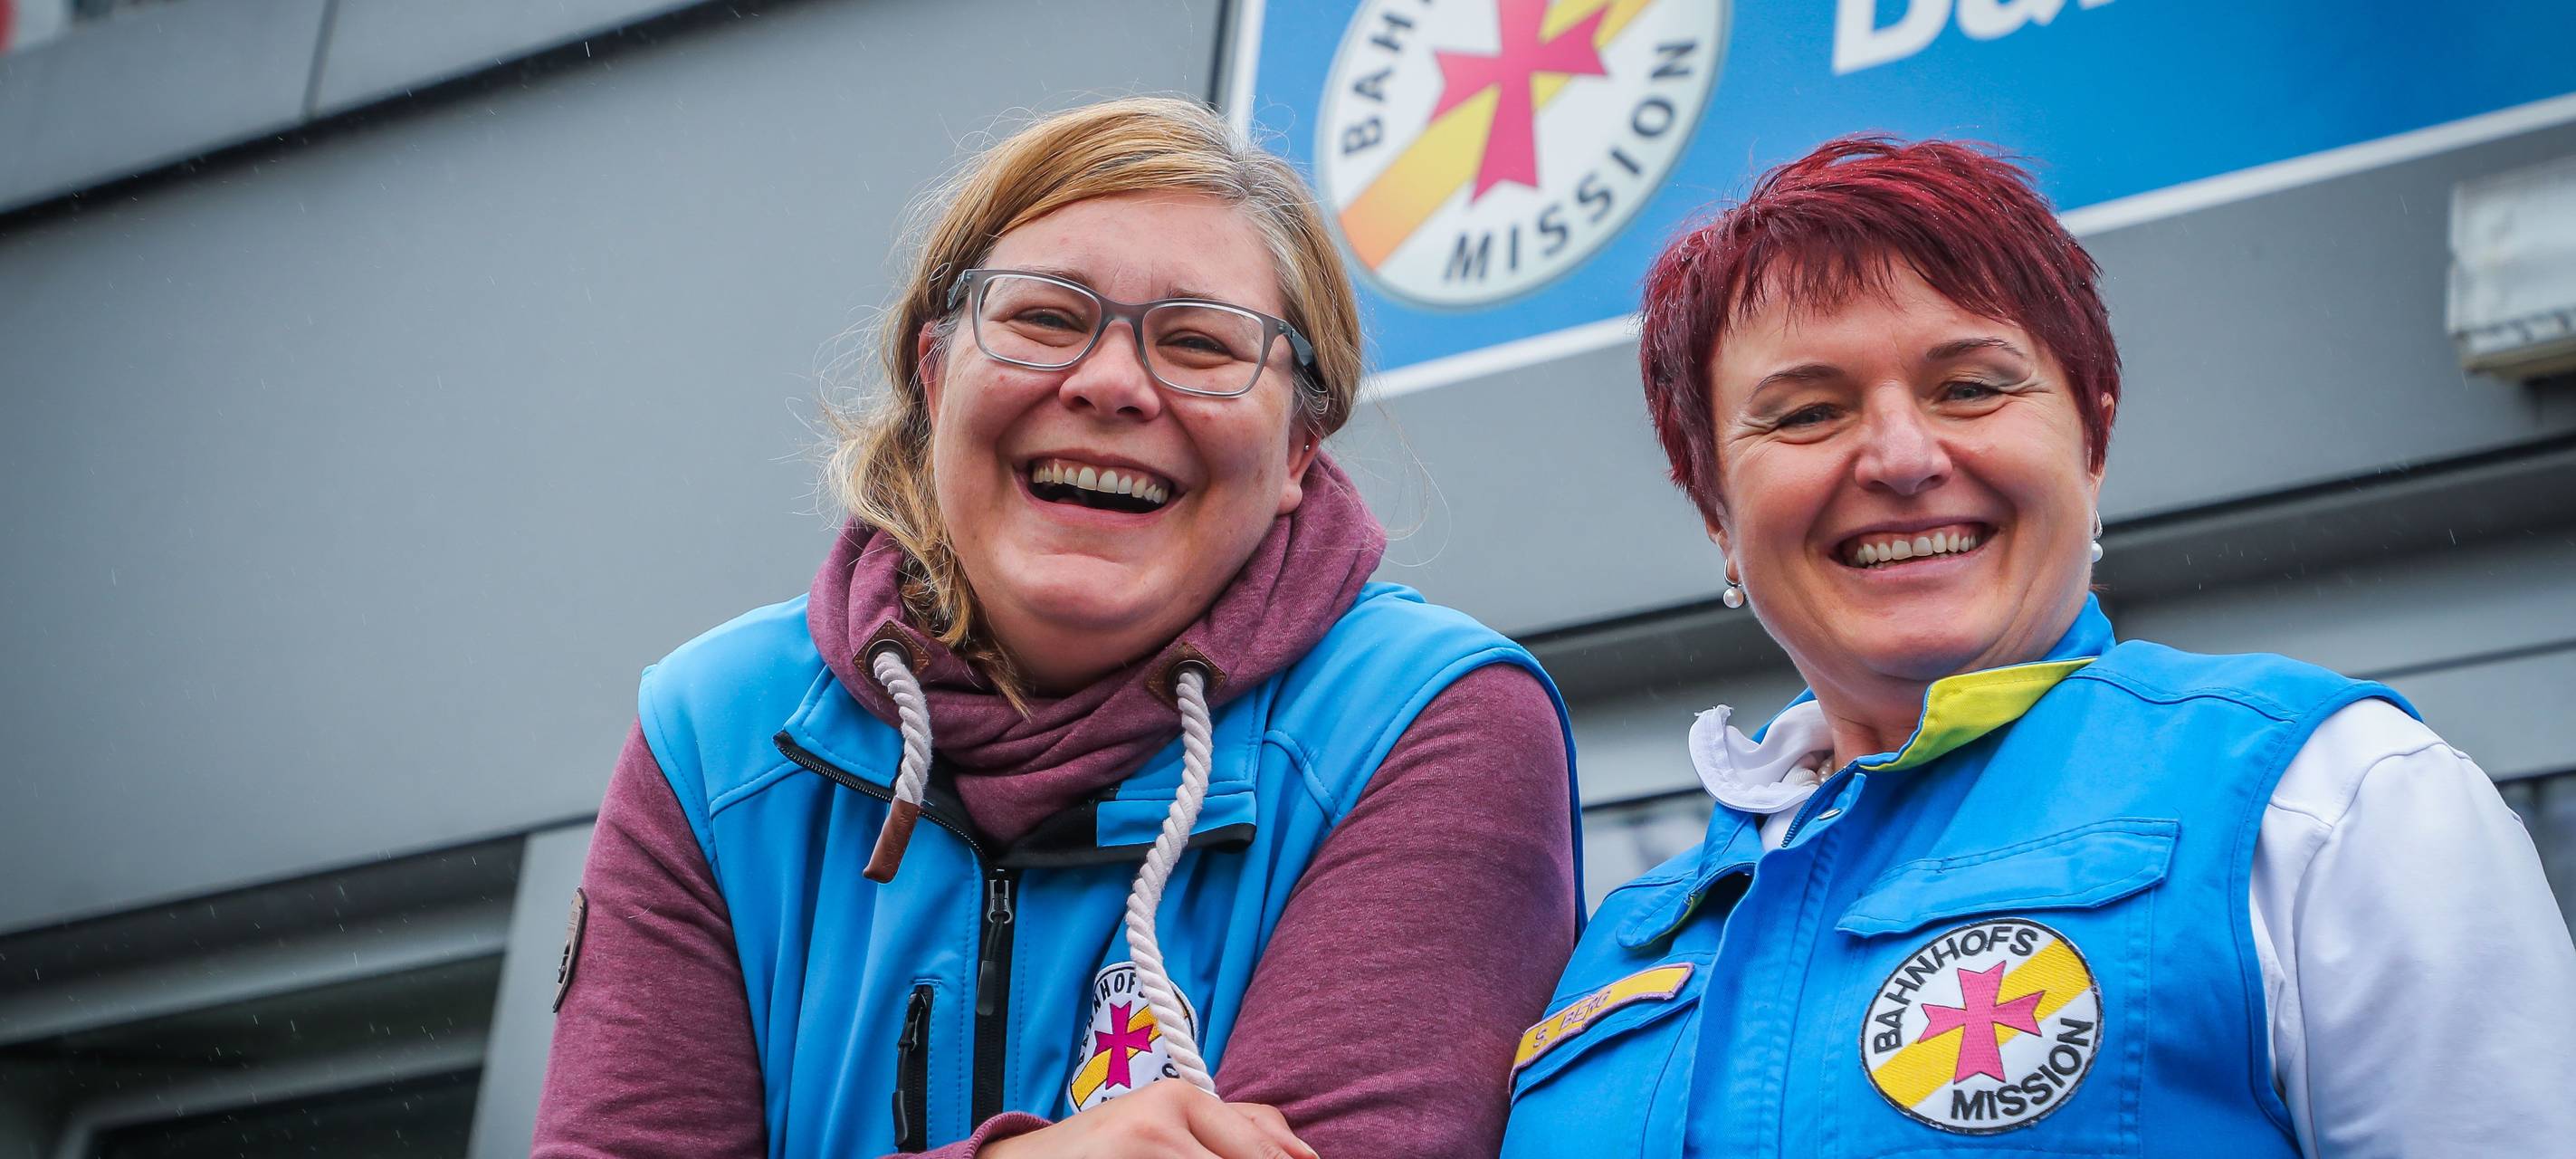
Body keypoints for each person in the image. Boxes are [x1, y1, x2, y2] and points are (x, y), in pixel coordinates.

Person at [532, 97, 1582, 1159]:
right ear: (934, 375)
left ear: (1299, 452)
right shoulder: (715, 735)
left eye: (1199, 342)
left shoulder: (1427, 720)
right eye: (1043, 318)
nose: (1112, 384)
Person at [1499, 136, 2576, 1157]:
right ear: (1714, 514)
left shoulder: (2322, 794)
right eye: (1804, 413)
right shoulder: (1612, 950)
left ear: (2091, 443)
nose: (1902, 456)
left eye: (1968, 386)